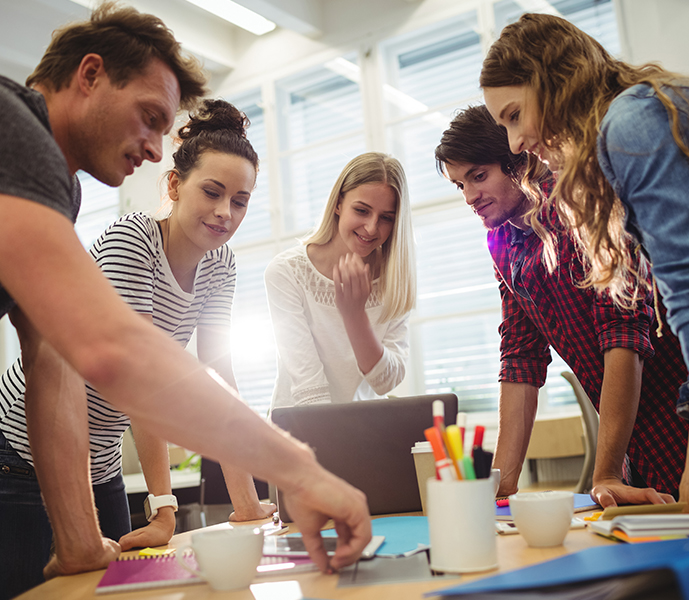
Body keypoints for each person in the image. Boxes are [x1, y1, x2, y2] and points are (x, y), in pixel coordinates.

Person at [0, 4, 370, 598]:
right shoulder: (13, 128)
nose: (152, 148)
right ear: (89, 75)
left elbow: (52, 356)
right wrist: (299, 470)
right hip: (12, 462)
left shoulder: (59, 188)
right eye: (148, 118)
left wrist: (76, 538)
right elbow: (114, 353)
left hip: (90, 473)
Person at [0, 98, 279, 595]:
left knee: (116, 591)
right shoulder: (135, 240)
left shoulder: (222, 266)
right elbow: (142, 378)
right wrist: (164, 504)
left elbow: (220, 375)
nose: (224, 212)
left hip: (99, 462)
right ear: (173, 185)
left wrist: (248, 503)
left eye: (239, 201)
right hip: (20, 453)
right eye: (212, 192)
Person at [480, 12, 689, 513]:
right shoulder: (621, 134)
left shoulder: (630, 125)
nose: (515, 142)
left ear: (552, 83)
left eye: (515, 115)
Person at [435, 105, 689, 507]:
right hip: (634, 452)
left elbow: (623, 333)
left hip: (686, 425)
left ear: (517, 161)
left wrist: (604, 471)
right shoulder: (502, 244)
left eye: (478, 176)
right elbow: (520, 357)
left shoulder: (581, 204)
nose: (469, 196)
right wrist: (502, 482)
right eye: (459, 185)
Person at [265, 152, 416, 410]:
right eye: (361, 210)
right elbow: (308, 388)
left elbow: (385, 382)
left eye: (386, 218)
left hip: (360, 432)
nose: (371, 227)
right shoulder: (287, 271)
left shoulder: (395, 280)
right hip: (299, 429)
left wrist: (355, 316)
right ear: (338, 204)